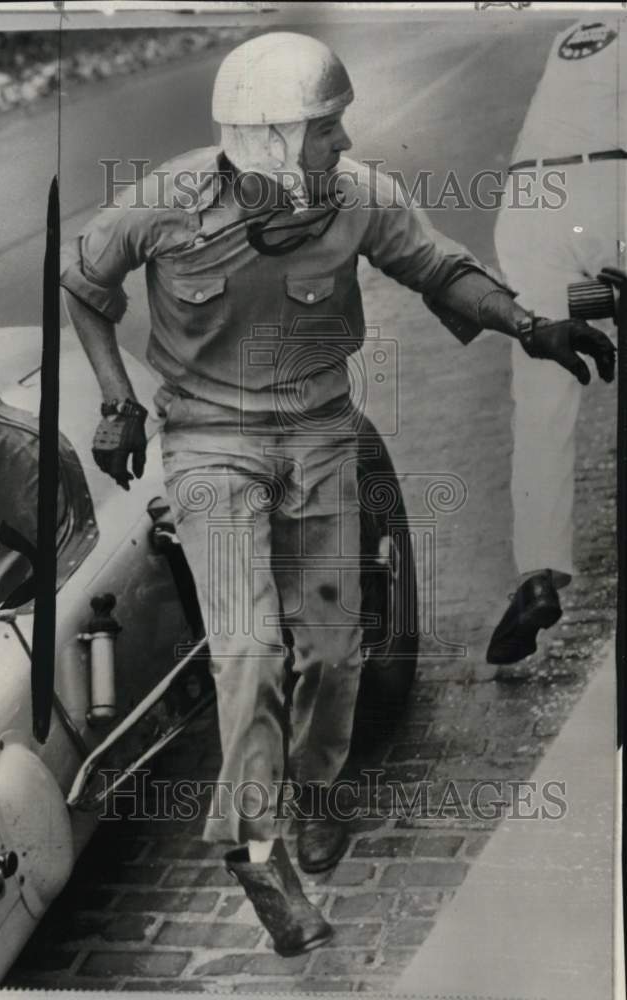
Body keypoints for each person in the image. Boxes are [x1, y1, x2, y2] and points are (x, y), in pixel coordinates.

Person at [60, 32, 614, 955]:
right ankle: (254, 842)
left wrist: (531, 326)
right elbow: (84, 283)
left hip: (320, 432)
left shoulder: (358, 198)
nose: (345, 144)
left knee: (335, 648)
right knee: (248, 650)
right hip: (209, 443)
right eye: (326, 129)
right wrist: (118, 403)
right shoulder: (162, 203)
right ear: (271, 141)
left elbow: (441, 268)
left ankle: (316, 790)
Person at [486, 17, 623, 665]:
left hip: (528, 199)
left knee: (540, 390)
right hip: (616, 187)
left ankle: (537, 576)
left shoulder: (575, 29)